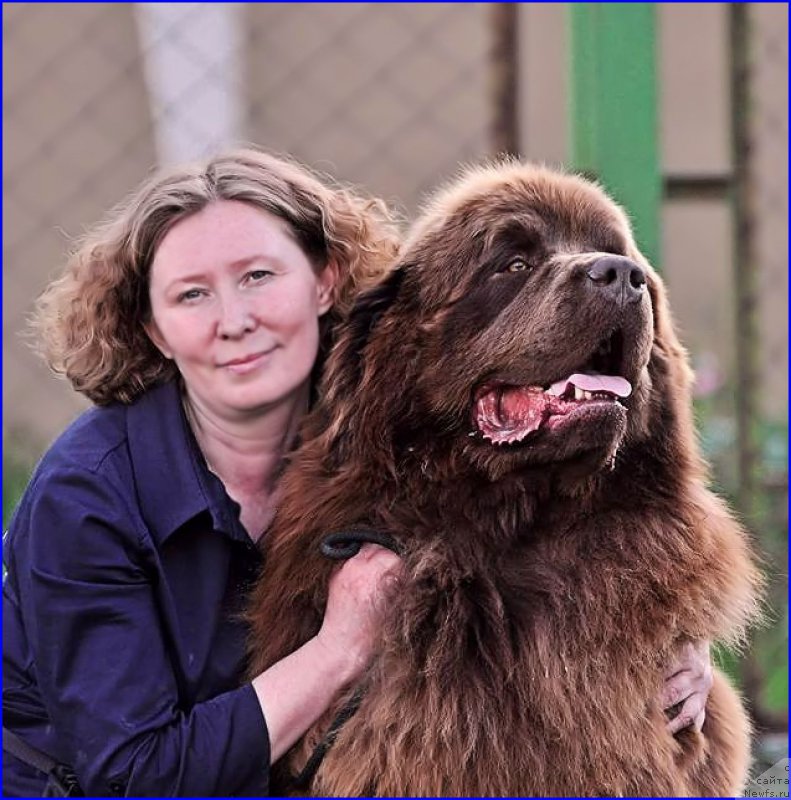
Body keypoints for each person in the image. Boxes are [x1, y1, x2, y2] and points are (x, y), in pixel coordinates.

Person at [3, 148, 713, 797]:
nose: (236, 319)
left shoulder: (361, 396)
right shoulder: (88, 497)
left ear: (323, 282)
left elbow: (581, 528)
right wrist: (339, 647)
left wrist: (666, 626)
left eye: (257, 276)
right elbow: (134, 778)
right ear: (153, 327)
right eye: (191, 295)